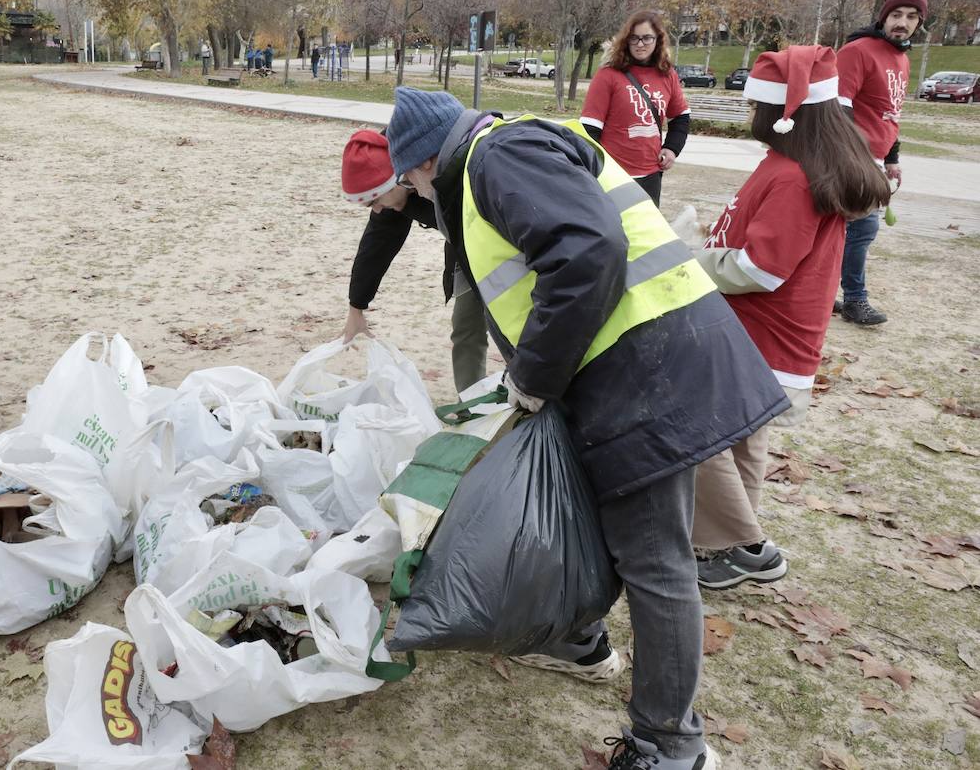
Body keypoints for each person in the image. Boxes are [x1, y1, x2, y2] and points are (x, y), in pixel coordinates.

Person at [385, 86, 787, 770]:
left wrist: (534, 379)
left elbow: (588, 252)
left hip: (646, 370)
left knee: (657, 558)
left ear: (425, 161)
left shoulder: (496, 158)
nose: (416, 193)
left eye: (411, 179)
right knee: (600, 521)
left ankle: (671, 745)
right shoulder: (503, 149)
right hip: (638, 364)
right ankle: (580, 640)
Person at [692, 46, 891, 589]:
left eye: (756, 105)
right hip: (762, 339)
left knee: (698, 433)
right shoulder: (794, 168)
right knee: (740, 443)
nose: (751, 115)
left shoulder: (794, 177)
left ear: (785, 113)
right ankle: (722, 551)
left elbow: (761, 268)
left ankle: (745, 545)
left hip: (759, 338)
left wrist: (692, 260)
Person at [339, 129, 488, 394]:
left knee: (520, 324)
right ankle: (473, 407)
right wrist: (356, 307)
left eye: (375, 201)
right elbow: (376, 245)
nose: (376, 209)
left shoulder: (442, 164)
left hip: (502, 234)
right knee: (466, 325)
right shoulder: (393, 193)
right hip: (465, 248)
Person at [833, 0, 927, 326]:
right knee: (862, 228)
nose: (902, 23)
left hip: (873, 158)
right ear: (884, 16)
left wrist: (891, 158)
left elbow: (890, 113)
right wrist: (856, 160)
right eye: (896, 15)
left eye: (911, 17)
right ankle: (855, 300)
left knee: (836, 228)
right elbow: (837, 107)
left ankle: (826, 292)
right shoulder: (857, 51)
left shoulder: (901, 57)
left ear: (920, 22)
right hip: (849, 157)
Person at [580, 10, 691, 206]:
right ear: (626, 40)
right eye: (634, 38)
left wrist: (672, 148)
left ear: (658, 39)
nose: (640, 44)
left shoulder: (667, 75)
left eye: (647, 38)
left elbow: (681, 117)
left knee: (646, 235)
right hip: (613, 177)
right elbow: (589, 130)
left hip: (651, 176)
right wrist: (595, 173)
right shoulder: (608, 75)